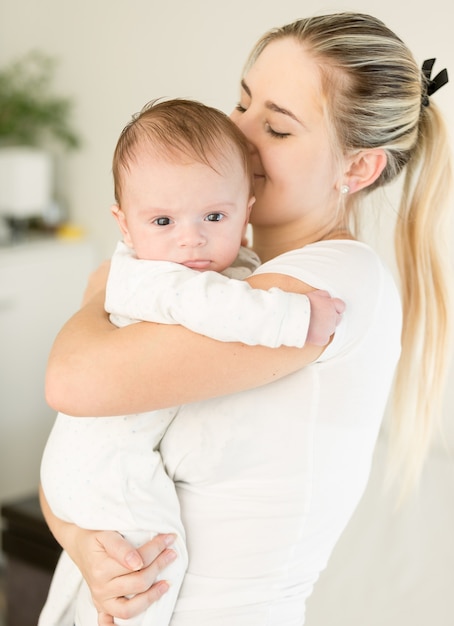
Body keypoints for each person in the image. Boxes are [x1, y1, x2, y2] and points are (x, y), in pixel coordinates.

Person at [40, 12, 452, 626]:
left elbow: (74, 383)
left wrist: (102, 292)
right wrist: (80, 541)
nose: (237, 133)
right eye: (241, 102)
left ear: (357, 169)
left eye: (277, 128)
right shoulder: (230, 279)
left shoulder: (326, 290)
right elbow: (88, 440)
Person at [39, 98, 344, 626]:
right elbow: (216, 307)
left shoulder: (218, 262)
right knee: (154, 562)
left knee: (121, 570)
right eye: (162, 219)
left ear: (244, 210)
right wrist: (296, 319)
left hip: (91, 460)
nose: (190, 237)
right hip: (107, 466)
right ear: (125, 226)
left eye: (214, 216)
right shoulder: (153, 276)